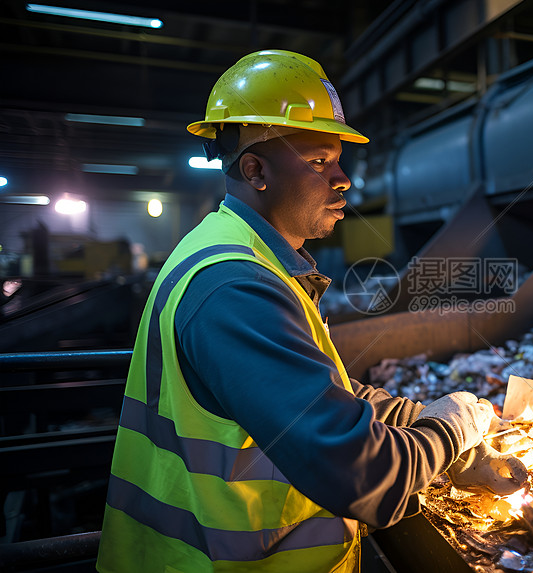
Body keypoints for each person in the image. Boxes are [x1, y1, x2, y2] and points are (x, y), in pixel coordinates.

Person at [96, 50, 503, 572]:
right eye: (318, 162)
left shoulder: (244, 254)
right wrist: (448, 432)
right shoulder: (234, 286)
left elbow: (322, 394)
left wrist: (421, 419)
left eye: (338, 159)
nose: (343, 179)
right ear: (255, 169)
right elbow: (360, 477)